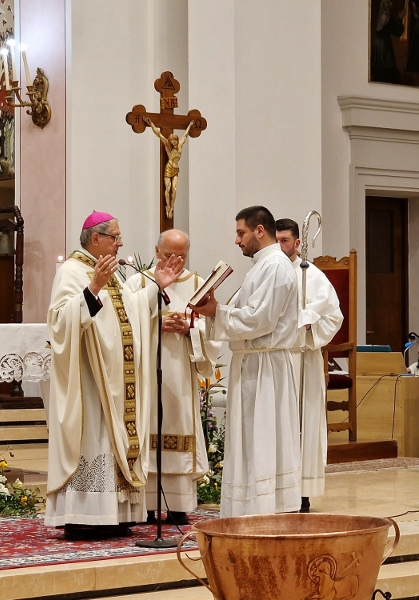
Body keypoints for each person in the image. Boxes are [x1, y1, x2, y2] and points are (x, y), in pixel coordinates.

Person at [46, 211, 183, 538]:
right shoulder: (72, 272)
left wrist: (156, 288)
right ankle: (84, 514)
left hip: (119, 381)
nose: (120, 243)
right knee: (94, 440)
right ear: (96, 238)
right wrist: (93, 287)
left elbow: (131, 309)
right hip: (90, 381)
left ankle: (116, 514)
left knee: (114, 441)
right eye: (115, 237)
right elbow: (59, 322)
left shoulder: (111, 271)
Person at [195, 206, 301, 517]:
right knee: (249, 440)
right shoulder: (261, 266)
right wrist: (214, 311)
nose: (237, 240)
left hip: (266, 367)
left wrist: (216, 311)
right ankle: (247, 510)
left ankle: (265, 510)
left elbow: (259, 319)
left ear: (259, 230)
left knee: (262, 438)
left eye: (241, 233)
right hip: (253, 363)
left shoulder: (276, 267)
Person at [125, 229, 215, 525]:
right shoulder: (138, 282)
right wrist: (154, 323)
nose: (174, 261)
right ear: (155, 251)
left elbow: (212, 327)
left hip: (179, 372)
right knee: (148, 426)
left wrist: (190, 329)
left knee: (179, 425)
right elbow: (124, 324)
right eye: (168, 255)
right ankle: (148, 505)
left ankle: (178, 504)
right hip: (147, 371)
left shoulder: (197, 284)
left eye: (181, 256)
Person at [276, 218, 343, 513]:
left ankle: (302, 492)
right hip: (274, 358)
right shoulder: (268, 272)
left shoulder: (311, 275)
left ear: (298, 243)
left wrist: (308, 324)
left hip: (302, 357)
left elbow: (334, 316)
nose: (280, 246)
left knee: (302, 422)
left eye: (285, 241)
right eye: (276, 241)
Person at [145, 117, 195, 219]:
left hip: (176, 170)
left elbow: (185, 135)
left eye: (174, 140)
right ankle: (167, 206)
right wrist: (151, 124)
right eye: (171, 140)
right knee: (168, 188)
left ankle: (171, 207)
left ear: (176, 139)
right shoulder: (168, 146)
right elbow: (159, 134)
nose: (173, 142)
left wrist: (190, 125)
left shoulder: (180, 145)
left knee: (174, 189)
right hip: (168, 168)